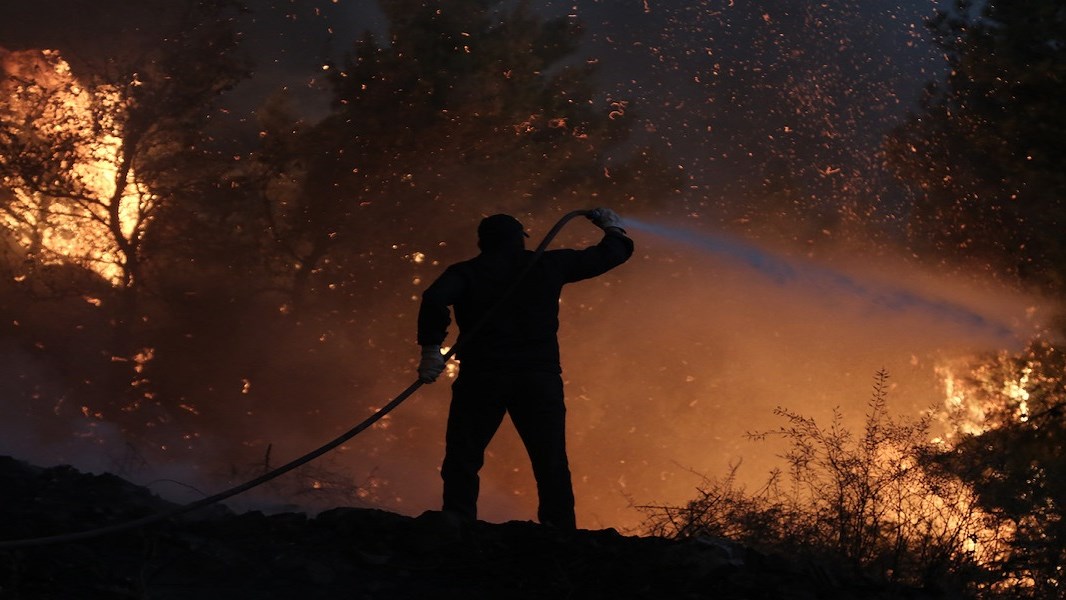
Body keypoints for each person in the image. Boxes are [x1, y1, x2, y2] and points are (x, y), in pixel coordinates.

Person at [416, 208, 634, 530]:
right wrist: (613, 227)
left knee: (464, 456)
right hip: (537, 378)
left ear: (482, 243)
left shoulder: (467, 272)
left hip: (482, 376)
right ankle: (559, 530)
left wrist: (431, 349)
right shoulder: (547, 265)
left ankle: (457, 522)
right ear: (519, 239)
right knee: (550, 460)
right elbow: (608, 255)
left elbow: (434, 298)